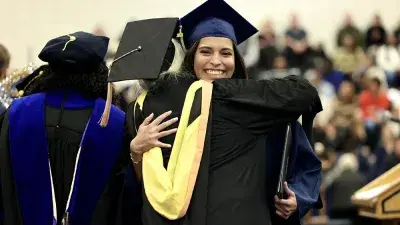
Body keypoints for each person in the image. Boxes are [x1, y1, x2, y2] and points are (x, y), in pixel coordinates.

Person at [115, 4, 321, 225]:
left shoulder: (254, 103)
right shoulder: (171, 108)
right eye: (205, 52)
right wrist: (136, 150)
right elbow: (140, 187)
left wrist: (298, 197)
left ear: (236, 60)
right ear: (191, 58)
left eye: (226, 53)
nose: (216, 61)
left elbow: (301, 155)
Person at [0, 31, 133, 225]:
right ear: (98, 73)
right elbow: (123, 199)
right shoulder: (113, 122)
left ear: (49, 71)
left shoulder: (17, 113)